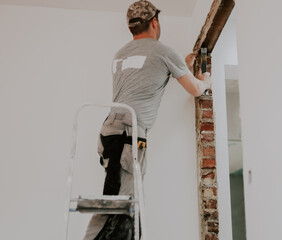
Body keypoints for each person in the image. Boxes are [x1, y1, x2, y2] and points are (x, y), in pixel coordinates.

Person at [83, 0, 211, 239]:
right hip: (129, 134)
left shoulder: (120, 53)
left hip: (110, 130)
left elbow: (144, 77)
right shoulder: (163, 51)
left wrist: (181, 65)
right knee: (126, 205)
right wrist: (205, 80)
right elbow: (195, 89)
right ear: (155, 22)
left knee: (114, 196)